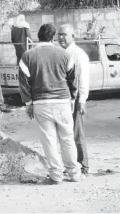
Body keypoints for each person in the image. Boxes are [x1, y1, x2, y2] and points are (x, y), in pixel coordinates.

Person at [18, 23, 82, 184]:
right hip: (62, 101)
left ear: (37, 35)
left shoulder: (27, 56)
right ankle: (74, 173)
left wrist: (28, 104)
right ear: (53, 37)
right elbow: (73, 80)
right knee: (67, 138)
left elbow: (24, 83)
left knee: (49, 140)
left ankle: (56, 175)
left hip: (41, 103)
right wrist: (73, 99)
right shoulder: (65, 55)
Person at [57, 23, 90, 175]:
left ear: (73, 37)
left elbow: (83, 79)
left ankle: (83, 165)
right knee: (65, 134)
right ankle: (69, 165)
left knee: (76, 133)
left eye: (64, 35)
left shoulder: (78, 54)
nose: (61, 37)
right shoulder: (58, 53)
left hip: (75, 99)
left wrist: (82, 100)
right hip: (61, 99)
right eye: (59, 34)